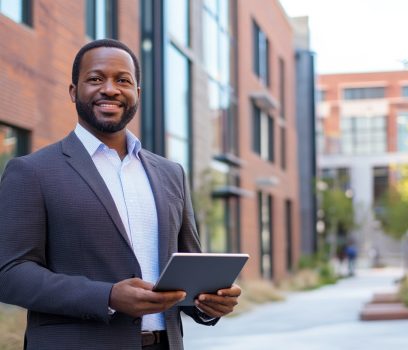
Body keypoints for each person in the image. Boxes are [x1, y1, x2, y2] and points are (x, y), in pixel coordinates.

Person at [0, 39, 241, 350]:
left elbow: (187, 266)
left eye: (123, 80)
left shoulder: (171, 173)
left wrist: (210, 301)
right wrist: (108, 296)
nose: (110, 89)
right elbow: (9, 274)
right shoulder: (32, 172)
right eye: (96, 79)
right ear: (74, 91)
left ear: (137, 94)